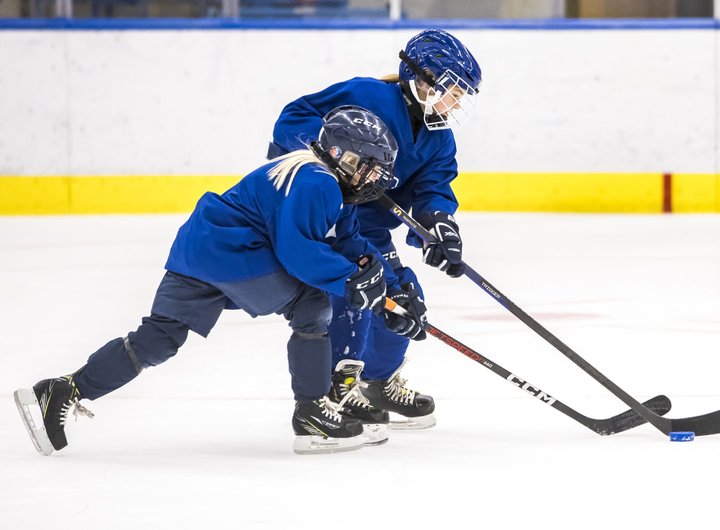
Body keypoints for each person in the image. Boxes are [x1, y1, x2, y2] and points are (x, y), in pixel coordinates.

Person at [14, 106, 427, 456]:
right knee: (311, 303)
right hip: (233, 254)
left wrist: (387, 289)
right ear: (342, 155)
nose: (374, 178)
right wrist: (358, 285)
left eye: (378, 170)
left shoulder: (327, 181)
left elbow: (350, 243)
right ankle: (313, 413)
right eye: (368, 167)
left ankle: (62, 391)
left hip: (200, 251)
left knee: (157, 339)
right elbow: (299, 254)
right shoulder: (317, 182)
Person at [269, 29, 482, 433]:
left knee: (404, 296)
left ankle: (378, 383)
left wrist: (439, 225)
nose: (455, 103)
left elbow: (434, 187)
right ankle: (337, 391)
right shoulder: (369, 96)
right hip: (331, 218)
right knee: (358, 293)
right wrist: (335, 156)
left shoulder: (439, 139)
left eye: (460, 96)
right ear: (420, 79)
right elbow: (292, 119)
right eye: (451, 91)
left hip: (370, 229)